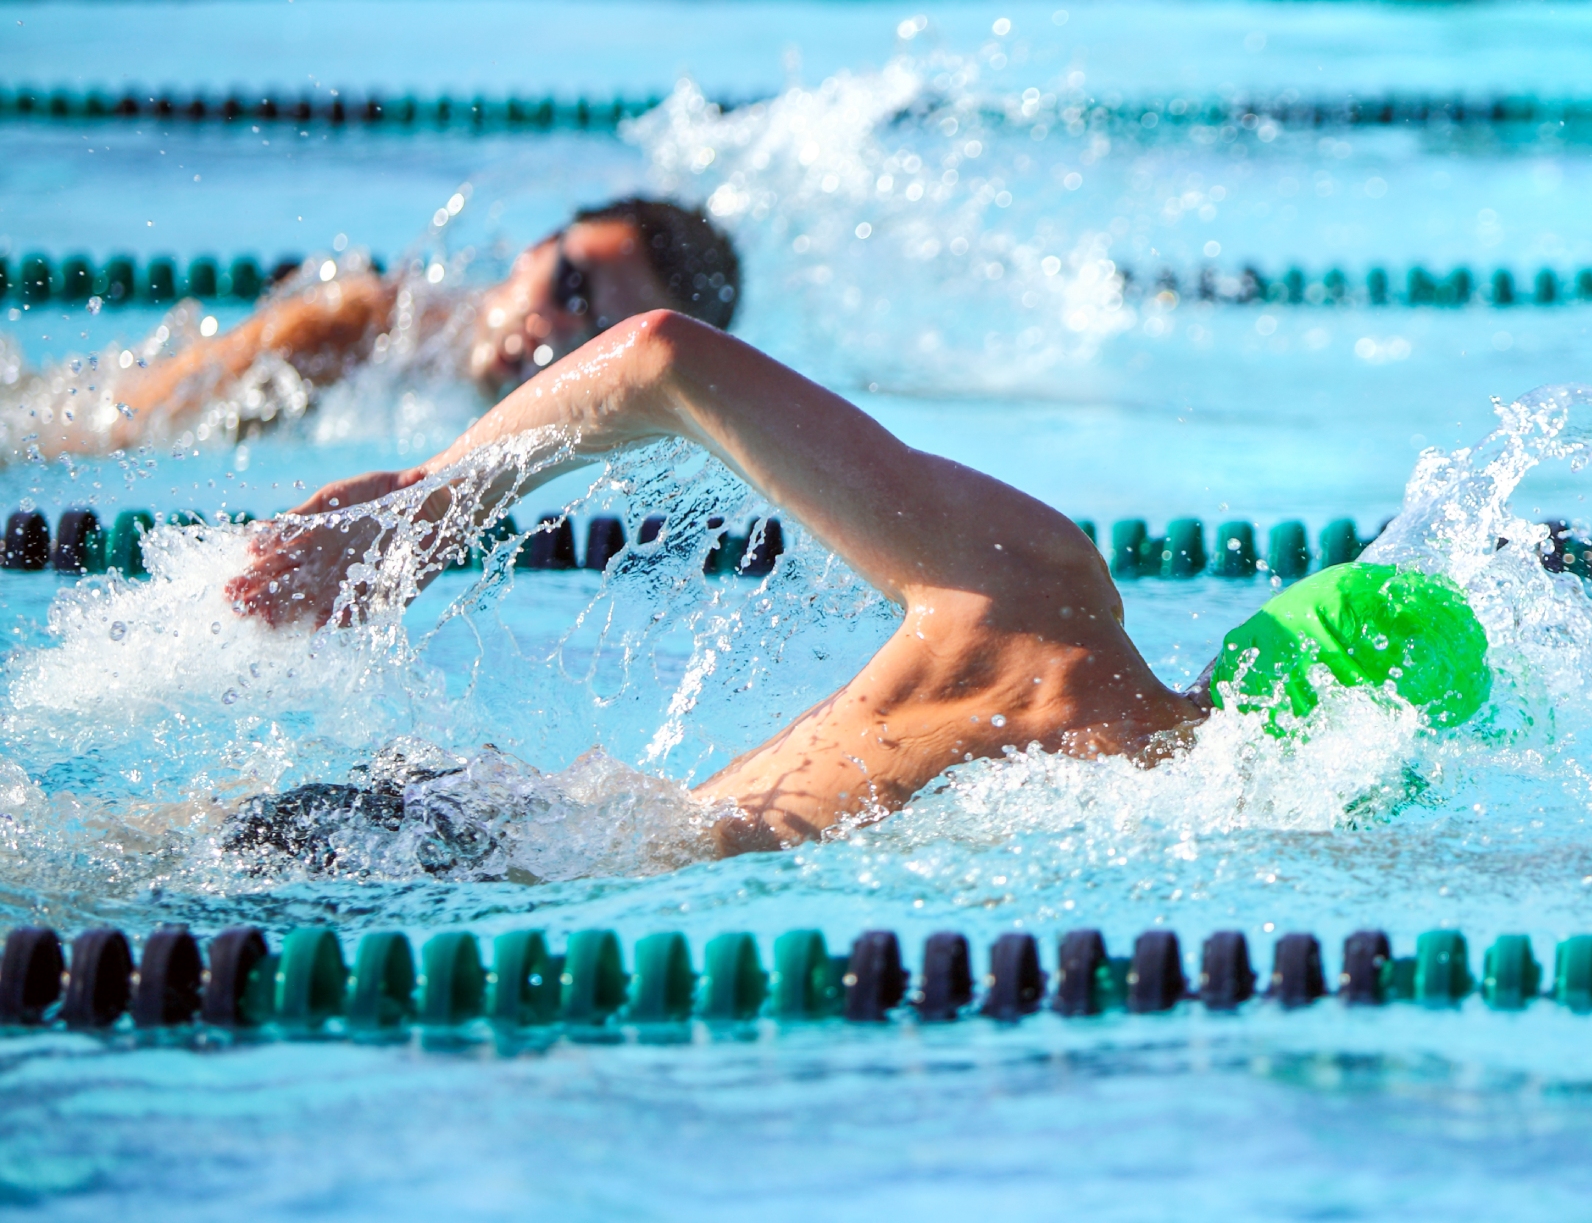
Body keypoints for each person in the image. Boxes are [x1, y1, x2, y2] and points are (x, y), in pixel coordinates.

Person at [227, 308, 1492, 862]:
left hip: (502, 821)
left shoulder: (1036, 601)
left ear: (1264, 638)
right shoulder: (1191, 833)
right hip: (519, 860)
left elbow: (661, 356)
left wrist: (428, 506)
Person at [28, 197, 740, 458]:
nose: (554, 326)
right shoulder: (352, 327)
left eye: (600, 337)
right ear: (534, 249)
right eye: (570, 285)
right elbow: (115, 429)